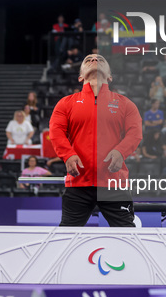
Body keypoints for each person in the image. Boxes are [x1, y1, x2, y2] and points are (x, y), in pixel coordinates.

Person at [49, 54, 142, 227]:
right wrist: (68, 155)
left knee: (128, 238)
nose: (94, 60)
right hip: (78, 183)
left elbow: (135, 133)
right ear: (80, 76)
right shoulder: (66, 104)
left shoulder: (125, 104)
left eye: (100, 59)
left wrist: (120, 152)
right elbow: (56, 132)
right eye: (88, 60)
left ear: (110, 77)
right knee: (66, 239)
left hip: (114, 184)